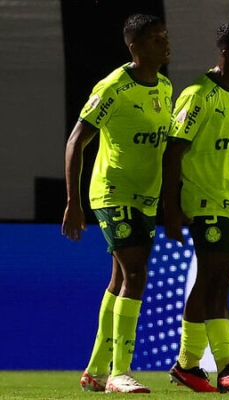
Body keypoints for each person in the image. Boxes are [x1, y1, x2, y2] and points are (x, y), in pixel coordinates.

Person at [61, 13, 172, 394]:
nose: (165, 44)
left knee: (120, 279)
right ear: (135, 47)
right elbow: (77, 140)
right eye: (156, 39)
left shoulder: (165, 87)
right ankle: (119, 372)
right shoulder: (113, 88)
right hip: (112, 192)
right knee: (136, 274)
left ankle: (94, 369)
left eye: (165, 37)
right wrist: (73, 201)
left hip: (146, 197)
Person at [162, 21, 229, 394]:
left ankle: (187, 365)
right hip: (206, 202)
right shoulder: (196, 95)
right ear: (227, 52)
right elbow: (172, 152)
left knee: (209, 280)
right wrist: (170, 208)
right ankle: (226, 367)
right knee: (217, 279)